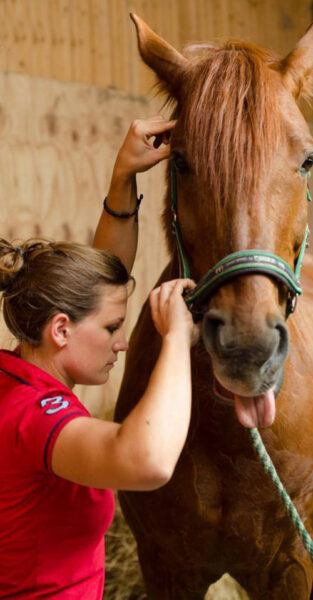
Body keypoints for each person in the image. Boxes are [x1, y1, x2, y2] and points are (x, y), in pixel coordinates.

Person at [0, 117, 196, 599]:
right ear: (61, 329)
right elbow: (148, 461)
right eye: (112, 329)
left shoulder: (15, 378)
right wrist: (174, 339)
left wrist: (123, 178)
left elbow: (98, 288)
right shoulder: (37, 418)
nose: (122, 342)